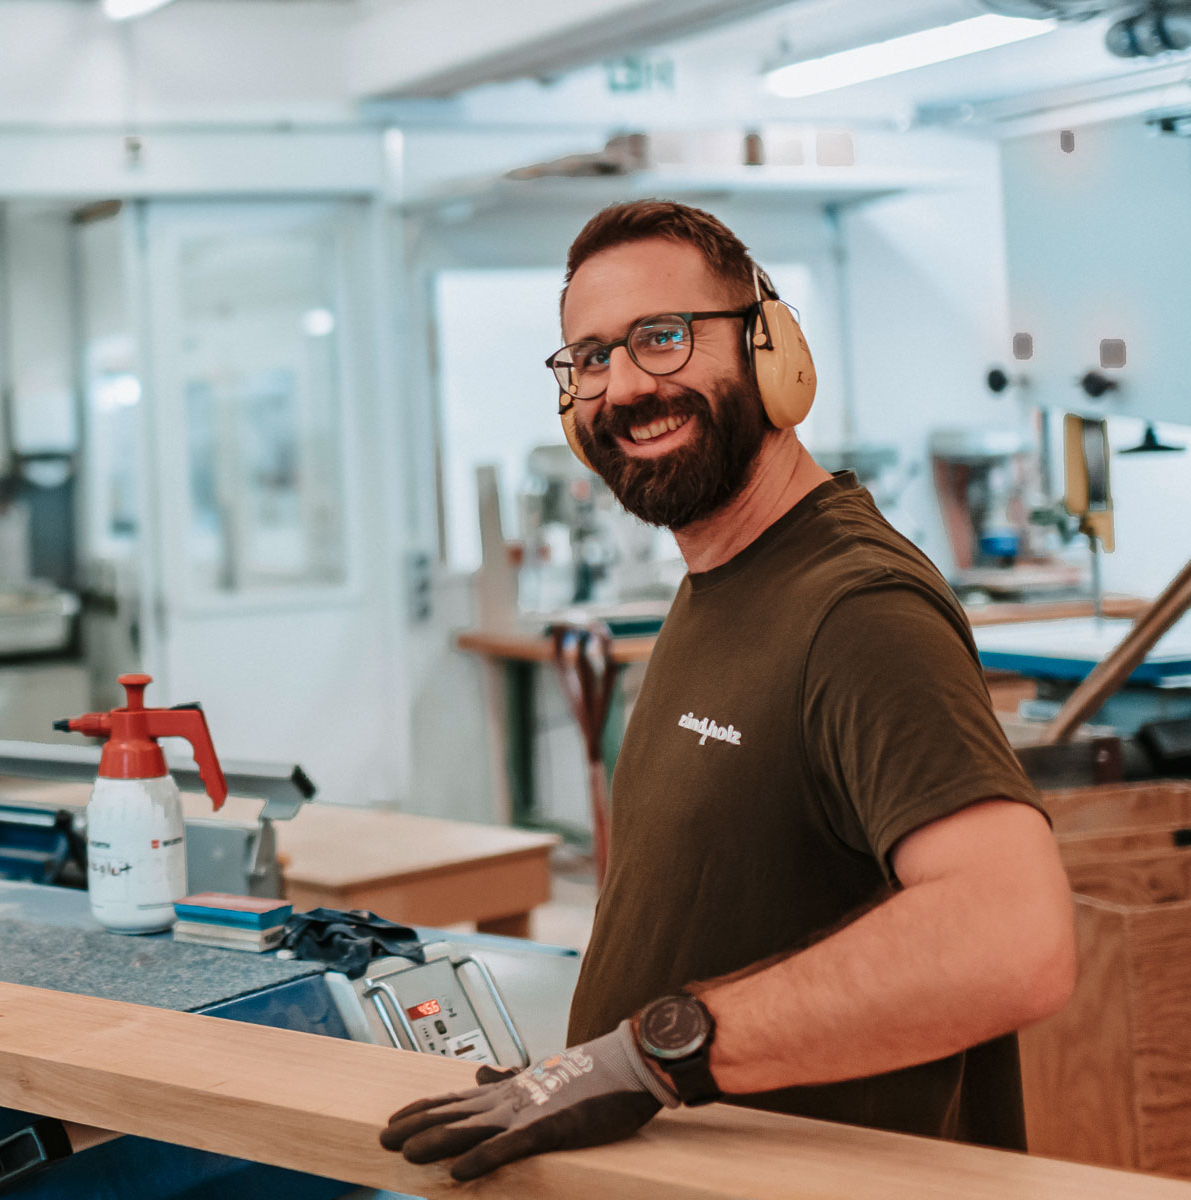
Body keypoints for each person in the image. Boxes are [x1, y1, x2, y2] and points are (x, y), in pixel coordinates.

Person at [379, 200, 1075, 1182]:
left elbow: (1013, 937)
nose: (622, 386)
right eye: (589, 358)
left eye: (661, 339)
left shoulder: (857, 609)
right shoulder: (723, 580)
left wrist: (657, 1054)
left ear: (771, 350)